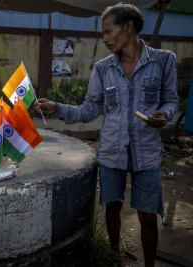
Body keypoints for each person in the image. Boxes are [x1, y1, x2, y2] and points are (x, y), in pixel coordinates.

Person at [35, 3, 178, 267]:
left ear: (130, 28)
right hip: (112, 151)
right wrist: (59, 108)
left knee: (148, 216)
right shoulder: (103, 69)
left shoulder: (163, 60)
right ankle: (115, 258)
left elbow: (171, 101)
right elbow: (90, 109)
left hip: (147, 154)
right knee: (112, 208)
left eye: (108, 32)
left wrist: (164, 115)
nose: (104, 39)